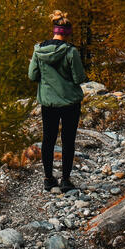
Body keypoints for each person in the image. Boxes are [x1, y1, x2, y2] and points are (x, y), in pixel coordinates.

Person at [28, 11, 86, 192]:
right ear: (67, 32)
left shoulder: (39, 50)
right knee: (68, 140)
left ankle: (48, 179)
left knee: (48, 140)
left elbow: (32, 75)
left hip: (48, 103)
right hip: (70, 103)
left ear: (54, 29)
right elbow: (79, 78)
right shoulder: (71, 51)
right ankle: (66, 180)